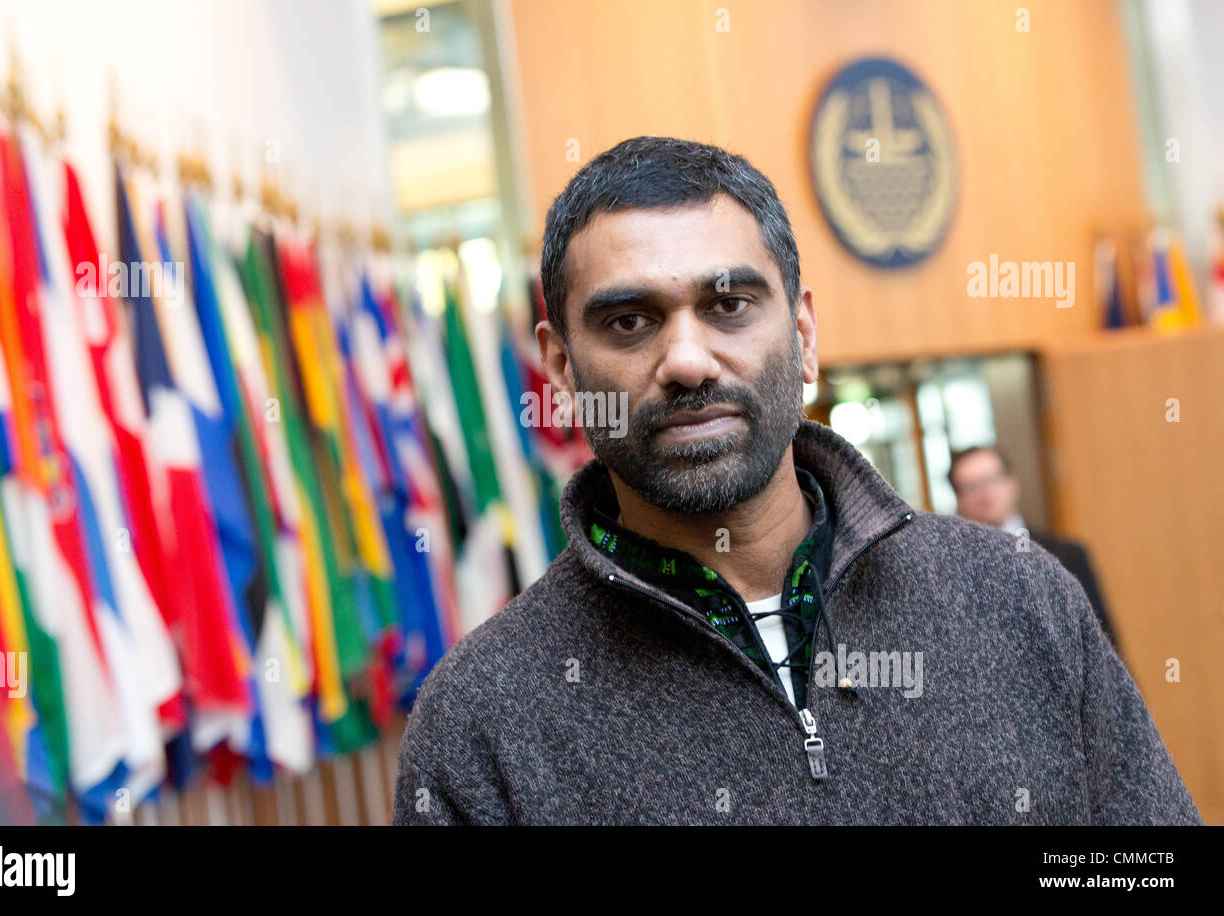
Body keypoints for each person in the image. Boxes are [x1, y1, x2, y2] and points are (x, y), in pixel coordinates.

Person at [393, 136, 1200, 825]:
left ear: (804, 335)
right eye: (629, 321)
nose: (686, 361)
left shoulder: (1020, 600)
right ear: (563, 368)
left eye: (730, 305)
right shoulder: (479, 722)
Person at [948, 444, 1120, 652]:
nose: (985, 495)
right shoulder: (952, 571)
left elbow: (1102, 641)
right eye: (971, 487)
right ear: (959, 500)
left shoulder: (1066, 555)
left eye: (992, 480)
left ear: (1012, 483)